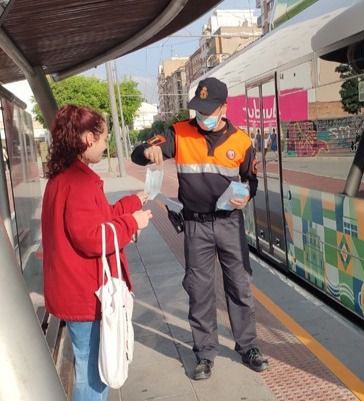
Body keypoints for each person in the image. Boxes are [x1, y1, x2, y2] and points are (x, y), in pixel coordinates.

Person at [131, 77, 267, 380]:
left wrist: (245, 195)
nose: (201, 116)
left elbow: (251, 181)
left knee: (240, 286)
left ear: (223, 108)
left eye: (208, 110)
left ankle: (247, 346)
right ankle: (204, 353)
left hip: (230, 223)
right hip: (195, 226)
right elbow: (139, 152)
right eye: (198, 109)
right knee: (199, 289)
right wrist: (146, 152)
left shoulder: (242, 142)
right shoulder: (179, 134)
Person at [42, 105, 153, 401]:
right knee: (94, 377)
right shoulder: (79, 182)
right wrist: (132, 223)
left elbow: (97, 219)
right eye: (103, 138)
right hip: (85, 296)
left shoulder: (64, 177)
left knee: (90, 369)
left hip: (73, 291)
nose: (105, 145)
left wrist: (130, 205)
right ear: (87, 138)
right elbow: (92, 238)